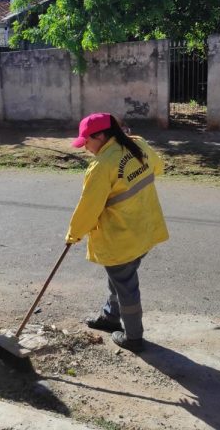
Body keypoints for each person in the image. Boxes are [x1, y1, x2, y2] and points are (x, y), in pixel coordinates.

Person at [65, 113, 169, 352]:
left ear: (100, 136)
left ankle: (133, 337)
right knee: (121, 279)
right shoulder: (138, 144)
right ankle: (110, 317)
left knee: (126, 286)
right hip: (145, 229)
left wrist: (73, 235)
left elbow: (88, 208)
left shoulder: (102, 166)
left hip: (121, 238)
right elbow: (159, 167)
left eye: (87, 142)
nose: (86, 148)